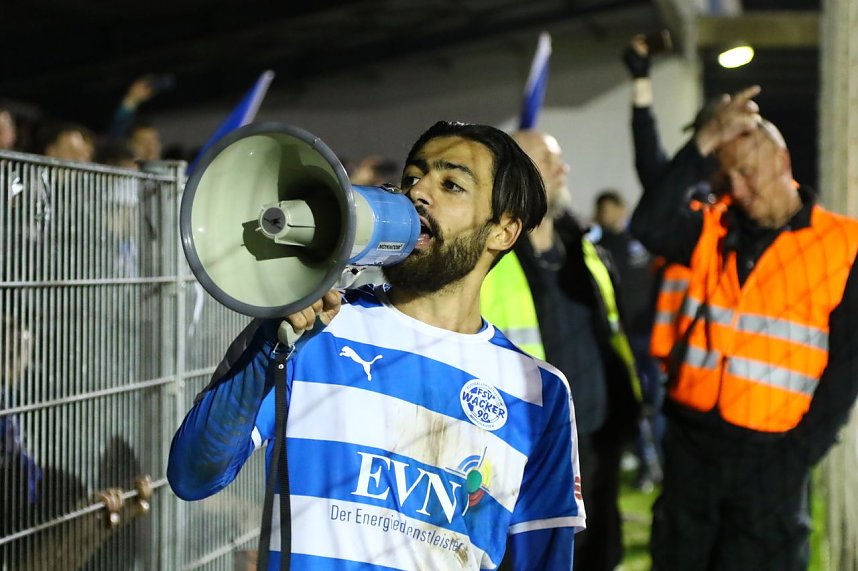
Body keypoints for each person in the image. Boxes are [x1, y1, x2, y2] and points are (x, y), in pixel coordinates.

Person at [168, 121, 586, 570]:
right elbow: (192, 475)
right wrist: (269, 346)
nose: (418, 192)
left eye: (451, 184)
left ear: (503, 231)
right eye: (412, 177)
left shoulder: (539, 394)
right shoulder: (314, 327)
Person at [630, 86, 858, 571]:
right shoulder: (713, 229)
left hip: (772, 453)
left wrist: (800, 455)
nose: (737, 188)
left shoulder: (843, 244)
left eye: (747, 172)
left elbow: (848, 366)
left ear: (782, 160)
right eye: (726, 176)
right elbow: (648, 224)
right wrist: (703, 141)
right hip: (692, 444)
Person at [481, 130, 640, 571]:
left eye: (559, 158)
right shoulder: (490, 260)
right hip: (531, 448)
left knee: (600, 555)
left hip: (596, 438)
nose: (562, 168)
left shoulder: (585, 251)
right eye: (547, 160)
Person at [589, 190, 663, 490]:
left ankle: (657, 462)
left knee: (655, 401)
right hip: (622, 340)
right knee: (634, 404)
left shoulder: (642, 242)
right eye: (603, 211)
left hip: (650, 335)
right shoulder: (596, 250)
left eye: (613, 210)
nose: (609, 216)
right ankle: (644, 463)